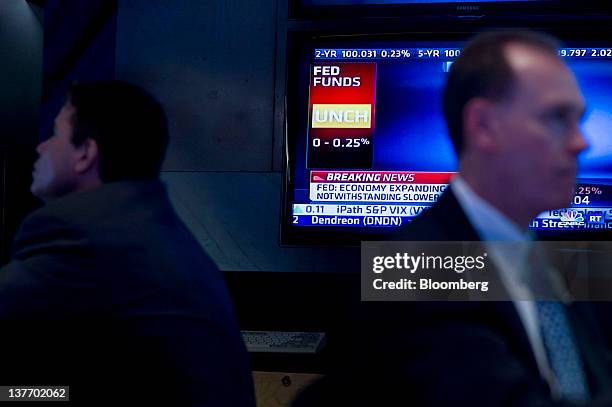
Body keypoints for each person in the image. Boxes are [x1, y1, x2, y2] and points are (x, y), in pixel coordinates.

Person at [294, 31, 612, 406]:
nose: (581, 142)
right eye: (556, 117)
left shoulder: (547, 264)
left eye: (579, 120)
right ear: (482, 126)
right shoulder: (410, 269)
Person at [0, 80, 255, 406]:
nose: (41, 147)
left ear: (85, 153)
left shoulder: (83, 237)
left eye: (55, 134)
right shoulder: (153, 230)